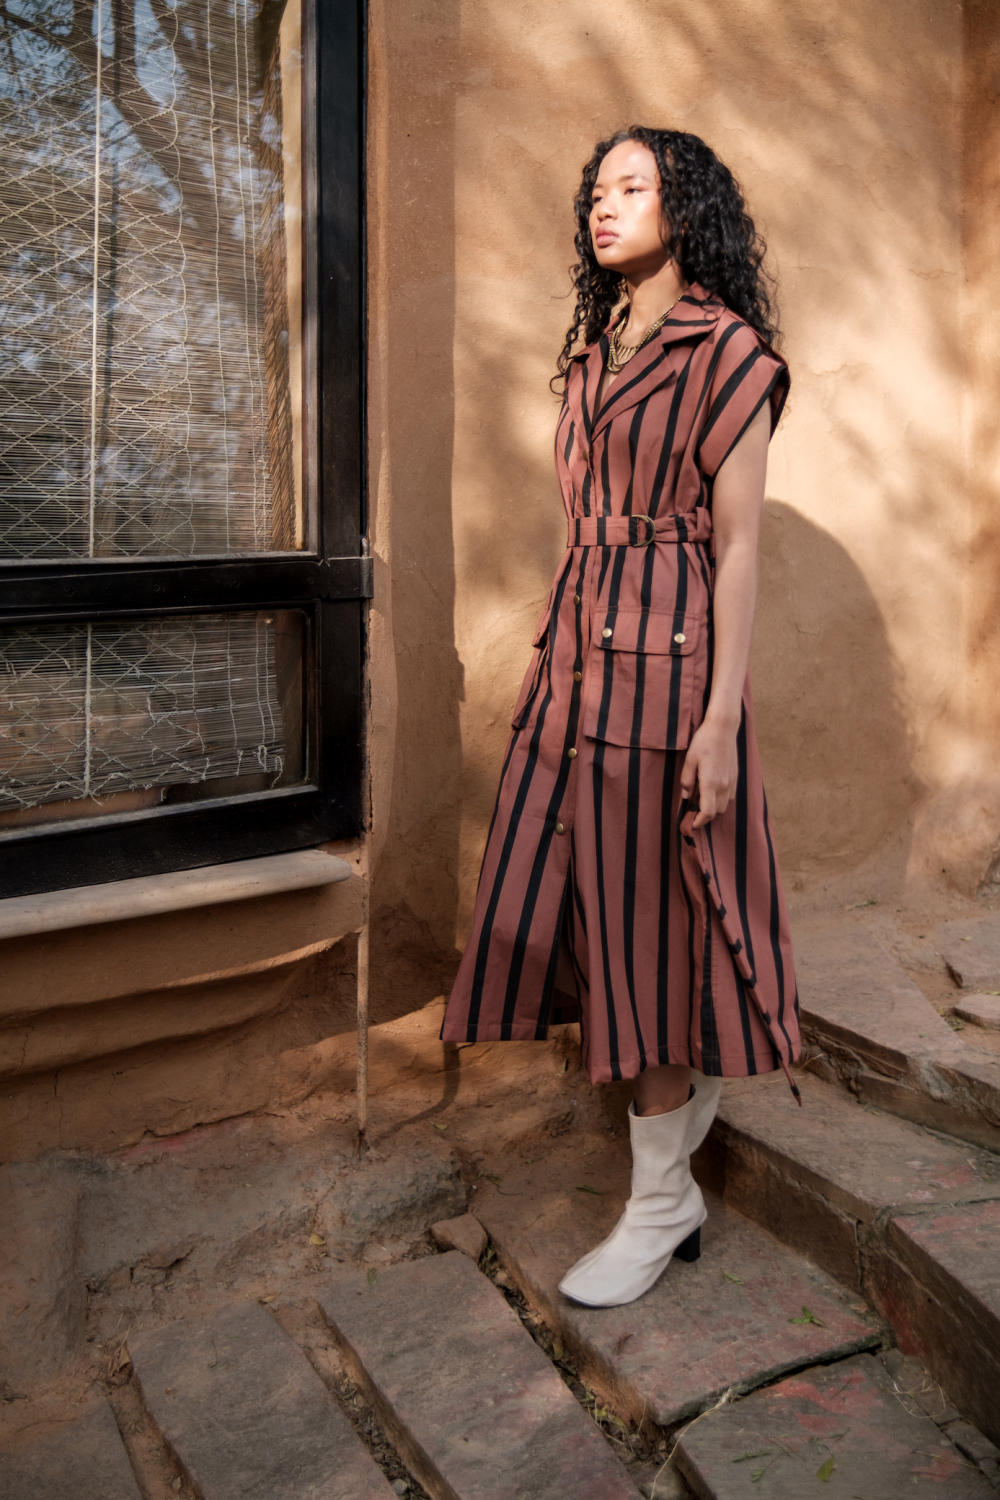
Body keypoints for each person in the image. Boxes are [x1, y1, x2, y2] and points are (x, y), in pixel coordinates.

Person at [441, 126, 802, 1308]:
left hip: (667, 669)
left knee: (648, 929)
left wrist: (718, 723)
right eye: (596, 191)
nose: (604, 207)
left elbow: (738, 548)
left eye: (632, 188)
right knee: (584, 913)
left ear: (683, 208)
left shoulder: (728, 352)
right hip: (575, 663)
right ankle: (680, 1141)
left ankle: (657, 1205)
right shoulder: (592, 355)